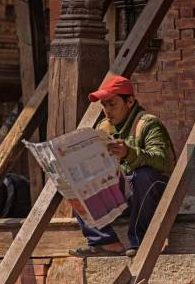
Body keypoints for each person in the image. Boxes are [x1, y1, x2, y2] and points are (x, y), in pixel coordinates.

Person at [69, 75, 176, 257]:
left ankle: (141, 240)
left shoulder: (148, 124)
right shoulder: (102, 128)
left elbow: (164, 161)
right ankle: (104, 242)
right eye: (103, 105)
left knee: (144, 175)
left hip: (151, 195)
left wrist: (129, 153)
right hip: (121, 197)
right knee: (75, 179)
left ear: (130, 102)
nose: (107, 111)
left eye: (112, 104)